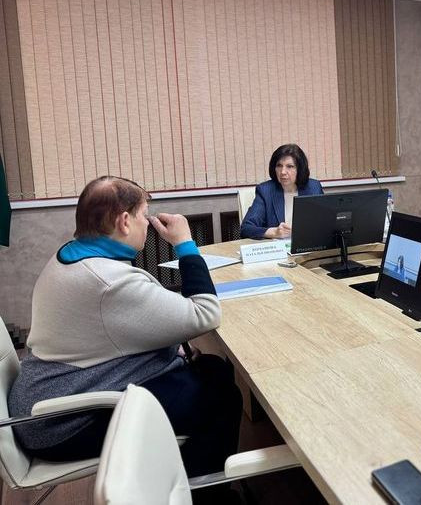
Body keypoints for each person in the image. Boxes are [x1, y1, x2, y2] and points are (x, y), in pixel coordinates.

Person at [8, 176, 241, 502]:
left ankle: (191, 472)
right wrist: (186, 243)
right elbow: (206, 313)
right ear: (124, 221)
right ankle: (205, 498)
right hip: (60, 423)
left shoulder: (72, 254)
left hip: (49, 396)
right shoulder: (106, 281)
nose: (148, 222)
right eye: (144, 214)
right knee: (221, 397)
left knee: (213, 369)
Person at [240, 143, 324, 239]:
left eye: (290, 166)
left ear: (300, 169)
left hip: (308, 244)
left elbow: (325, 223)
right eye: (279, 166)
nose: (283, 172)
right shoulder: (266, 191)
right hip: (279, 246)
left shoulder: (313, 187)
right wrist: (274, 232)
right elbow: (246, 228)